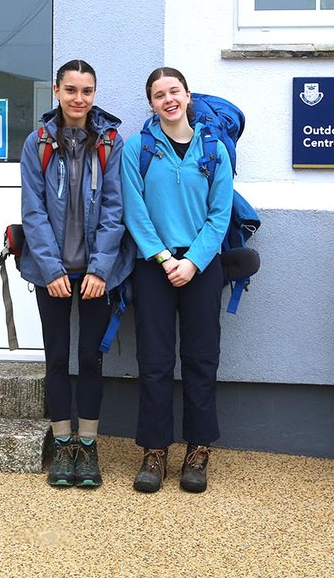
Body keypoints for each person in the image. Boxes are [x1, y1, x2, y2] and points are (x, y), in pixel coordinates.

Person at [19, 59, 131, 488]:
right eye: (71, 90)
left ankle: (88, 446)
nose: (78, 99)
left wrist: (102, 267)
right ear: (56, 91)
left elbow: (115, 209)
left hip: (98, 273)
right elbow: (32, 210)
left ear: (94, 94)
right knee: (57, 359)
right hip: (51, 273)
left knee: (89, 359)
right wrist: (49, 269)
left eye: (86, 91)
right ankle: (62, 443)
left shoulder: (110, 142)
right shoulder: (38, 143)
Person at [121, 67, 232, 494]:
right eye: (158, 94)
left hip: (202, 267)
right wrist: (165, 258)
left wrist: (195, 262)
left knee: (202, 358)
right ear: (150, 103)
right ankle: (154, 450)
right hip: (155, 266)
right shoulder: (138, 148)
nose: (168, 99)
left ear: (187, 96)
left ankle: (198, 450)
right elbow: (135, 210)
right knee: (154, 359)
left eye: (174, 91)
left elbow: (219, 213)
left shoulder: (213, 148)